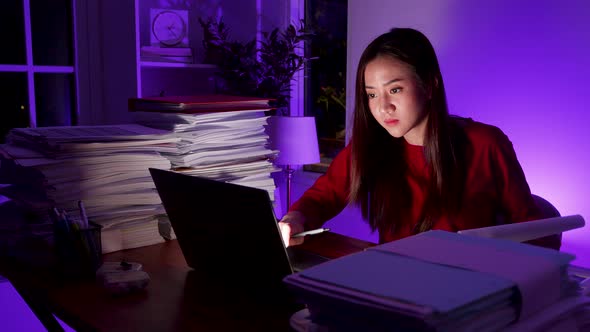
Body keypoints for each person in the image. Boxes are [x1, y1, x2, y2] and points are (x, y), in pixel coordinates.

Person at [278, 27, 560, 250]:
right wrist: (295, 219)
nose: (382, 106)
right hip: (395, 287)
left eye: (396, 90)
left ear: (429, 85)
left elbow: (530, 228)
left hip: (470, 290)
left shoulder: (485, 143)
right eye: (372, 94)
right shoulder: (371, 146)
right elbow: (323, 196)